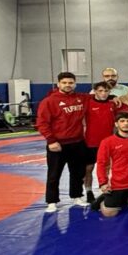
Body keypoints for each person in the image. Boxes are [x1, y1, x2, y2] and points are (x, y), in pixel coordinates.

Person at [36, 72, 90, 213]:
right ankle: (51, 201)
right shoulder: (49, 101)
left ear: (75, 84)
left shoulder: (82, 98)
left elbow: (100, 97)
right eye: (64, 83)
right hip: (57, 144)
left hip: (77, 142)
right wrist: (51, 140)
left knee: (77, 173)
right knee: (54, 174)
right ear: (58, 84)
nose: (67, 85)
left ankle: (77, 196)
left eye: (70, 83)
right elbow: (42, 123)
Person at [95, 112, 128, 217]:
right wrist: (103, 183)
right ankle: (103, 199)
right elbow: (101, 163)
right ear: (116, 124)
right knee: (109, 214)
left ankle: (127, 198)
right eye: (122, 121)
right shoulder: (107, 142)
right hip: (118, 184)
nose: (126, 124)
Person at [83, 81, 120, 204]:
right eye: (100, 91)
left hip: (108, 142)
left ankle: (105, 189)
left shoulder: (112, 104)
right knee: (89, 168)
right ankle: (88, 191)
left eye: (106, 91)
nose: (103, 93)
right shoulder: (88, 102)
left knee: (106, 167)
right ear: (95, 91)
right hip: (91, 142)